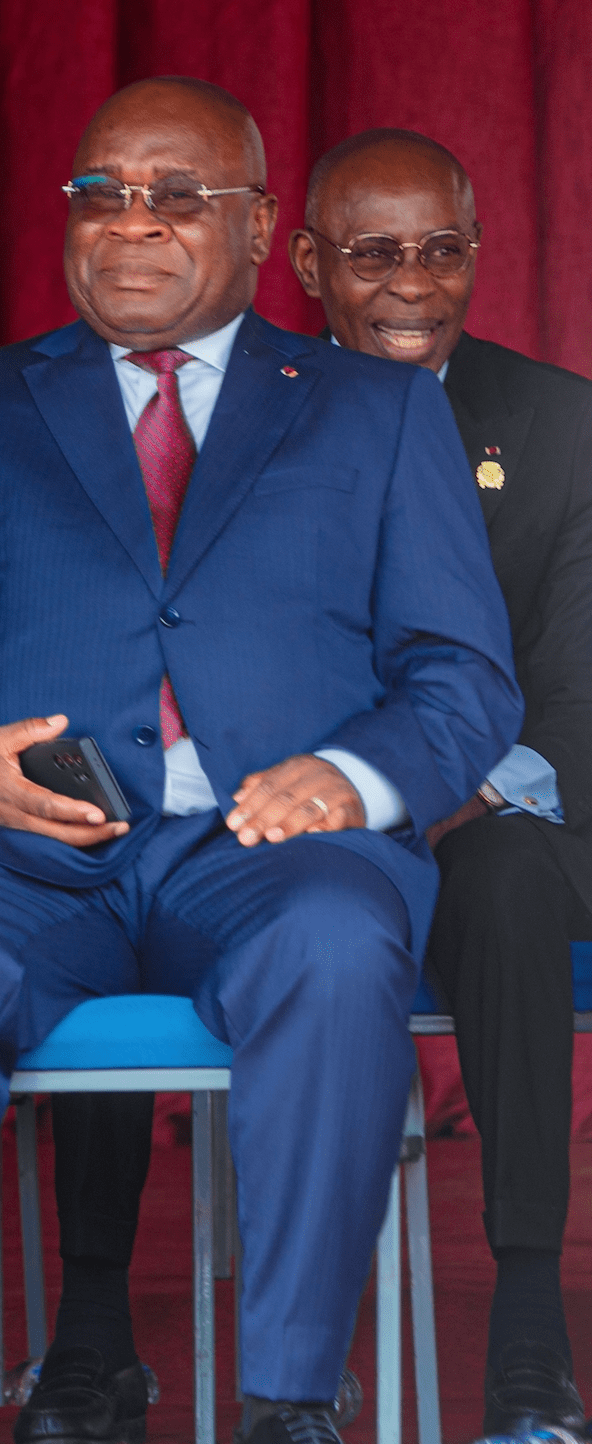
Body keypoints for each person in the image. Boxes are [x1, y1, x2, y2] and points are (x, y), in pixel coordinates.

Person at [0, 78, 522, 1444]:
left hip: (268, 859)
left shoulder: (376, 413)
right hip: (16, 858)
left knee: (336, 940)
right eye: (102, 193)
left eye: (175, 195)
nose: (131, 224)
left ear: (261, 231)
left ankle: (287, 1399)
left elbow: (461, 672)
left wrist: (356, 781)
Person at [285, 128, 592, 1444]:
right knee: (131, 863)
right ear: (306, 263)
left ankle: (528, 1319)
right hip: (306, 809)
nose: (413, 282)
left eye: (442, 250)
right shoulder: (240, 422)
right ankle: (102, 1329)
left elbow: (577, 682)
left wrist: (462, 788)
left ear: (476, 254)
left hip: (503, 811)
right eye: (374, 253)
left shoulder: (558, 422)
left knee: (516, 881)